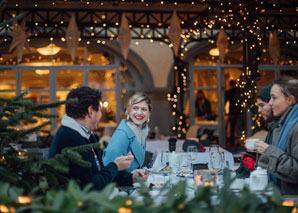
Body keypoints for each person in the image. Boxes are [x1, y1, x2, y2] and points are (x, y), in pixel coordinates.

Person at [48, 86, 147, 191]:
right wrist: (115, 166)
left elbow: (99, 173)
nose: (100, 115)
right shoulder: (69, 138)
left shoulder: (86, 134)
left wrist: (131, 178)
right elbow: (89, 187)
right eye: (100, 111)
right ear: (91, 111)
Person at [254, 76, 298, 195]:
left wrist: (268, 151)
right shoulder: (284, 124)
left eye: (274, 98)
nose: (270, 103)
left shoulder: (295, 126)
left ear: (290, 100)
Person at [103, 93, 152, 172]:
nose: (139, 113)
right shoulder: (122, 134)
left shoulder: (142, 132)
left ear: (149, 113)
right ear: (129, 111)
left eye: (144, 109)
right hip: (119, 183)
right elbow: (108, 167)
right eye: (135, 108)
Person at [225, 80, 244, 146]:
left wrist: (224, 111)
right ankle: (239, 142)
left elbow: (225, 102)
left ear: (230, 84)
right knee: (239, 128)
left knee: (232, 129)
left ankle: (232, 143)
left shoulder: (228, 92)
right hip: (239, 111)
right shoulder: (239, 91)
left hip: (232, 112)